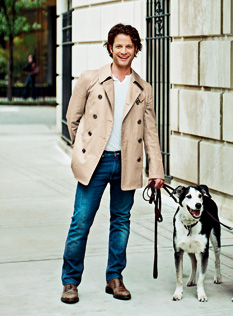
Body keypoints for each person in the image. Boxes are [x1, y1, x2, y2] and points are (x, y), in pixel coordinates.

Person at [61, 23, 165, 304]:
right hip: (95, 163)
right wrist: (84, 150)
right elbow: (73, 119)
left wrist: (156, 169)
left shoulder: (143, 88)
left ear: (136, 50)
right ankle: (70, 282)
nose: (123, 51)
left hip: (127, 163)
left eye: (129, 46)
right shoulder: (90, 79)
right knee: (81, 221)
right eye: (118, 45)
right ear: (110, 48)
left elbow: (150, 132)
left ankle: (115, 278)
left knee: (121, 222)